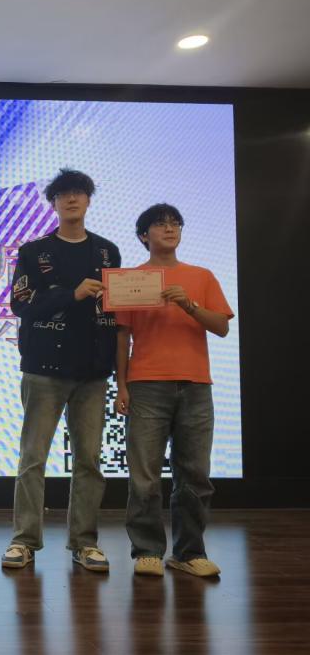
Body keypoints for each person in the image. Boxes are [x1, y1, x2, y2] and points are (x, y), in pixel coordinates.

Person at [2, 169, 121, 572]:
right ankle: (24, 540)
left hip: (93, 372)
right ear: (53, 203)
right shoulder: (34, 251)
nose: (72, 200)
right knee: (33, 458)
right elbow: (20, 304)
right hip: (44, 369)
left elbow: (116, 308)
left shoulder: (107, 252)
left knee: (89, 461)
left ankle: (84, 543)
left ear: (88, 200)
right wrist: (72, 294)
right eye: (64, 194)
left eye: (79, 193)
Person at [116, 204, 233, 578]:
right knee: (144, 475)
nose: (169, 229)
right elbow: (122, 336)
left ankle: (189, 552)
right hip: (146, 383)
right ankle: (147, 551)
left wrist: (189, 305)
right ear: (143, 235)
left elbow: (221, 327)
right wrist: (121, 385)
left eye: (175, 223)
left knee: (195, 474)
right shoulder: (131, 280)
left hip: (196, 384)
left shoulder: (201, 276)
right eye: (160, 224)